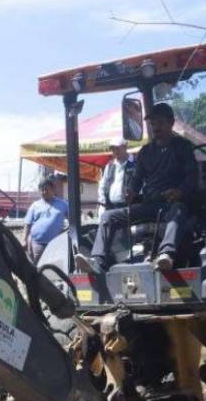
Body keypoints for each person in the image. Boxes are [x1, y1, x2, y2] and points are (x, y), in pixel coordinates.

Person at [79, 102, 196, 274]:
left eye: (160, 122)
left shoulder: (183, 147)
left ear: (171, 122)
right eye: (153, 123)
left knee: (179, 210)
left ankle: (166, 254)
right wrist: (132, 191)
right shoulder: (146, 152)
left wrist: (180, 191)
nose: (155, 127)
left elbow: (192, 176)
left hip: (171, 204)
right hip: (149, 205)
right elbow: (137, 179)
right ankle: (97, 261)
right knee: (108, 216)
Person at [22, 176, 70, 264]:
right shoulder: (35, 205)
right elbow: (27, 224)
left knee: (55, 267)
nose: (44, 192)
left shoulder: (63, 204)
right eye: (42, 190)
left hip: (56, 244)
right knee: (38, 268)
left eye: (46, 189)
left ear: (53, 190)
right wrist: (24, 240)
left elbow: (73, 220)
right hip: (37, 244)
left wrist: (65, 231)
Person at [100, 137, 136, 210]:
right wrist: (102, 203)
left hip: (129, 207)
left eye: (117, 148)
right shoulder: (109, 165)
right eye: (113, 149)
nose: (115, 151)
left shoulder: (135, 163)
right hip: (111, 207)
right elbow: (102, 186)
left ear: (125, 147)